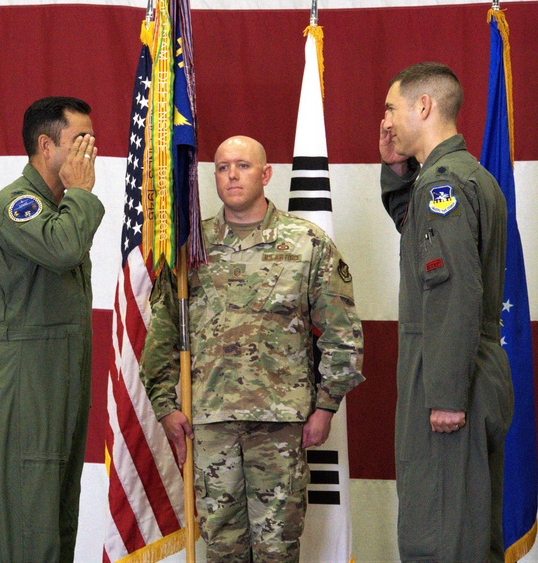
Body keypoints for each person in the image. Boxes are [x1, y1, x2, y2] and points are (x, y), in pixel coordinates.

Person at [140, 135, 364, 562]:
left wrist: (326, 406)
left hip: (280, 424)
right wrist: (166, 407)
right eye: (223, 167)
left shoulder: (307, 244)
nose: (232, 175)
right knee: (222, 547)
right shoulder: (191, 249)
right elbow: (163, 335)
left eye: (242, 166)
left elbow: (343, 333)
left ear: (265, 174)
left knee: (277, 547)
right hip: (210, 421)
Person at [378, 62, 515, 562]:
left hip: (448, 372)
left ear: (424, 106)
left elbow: (451, 291)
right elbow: (415, 235)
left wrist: (447, 395)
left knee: (440, 539)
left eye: (391, 109)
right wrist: (395, 169)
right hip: (459, 365)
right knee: (462, 527)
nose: (386, 122)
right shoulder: (453, 178)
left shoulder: (444, 188)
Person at [0, 96, 103, 562]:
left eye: (93, 140)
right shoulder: (18, 205)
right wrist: (83, 195)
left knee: (54, 530)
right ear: (46, 145)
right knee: (28, 534)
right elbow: (64, 248)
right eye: (79, 141)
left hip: (56, 386)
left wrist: (75, 201)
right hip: (27, 388)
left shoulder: (57, 208)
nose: (90, 151)